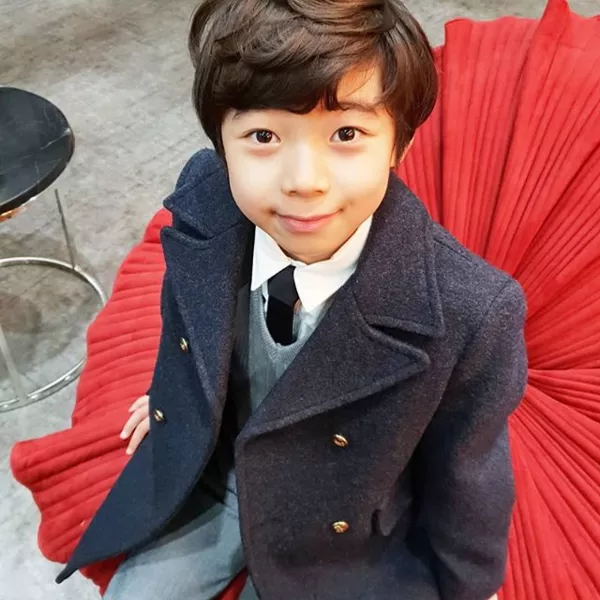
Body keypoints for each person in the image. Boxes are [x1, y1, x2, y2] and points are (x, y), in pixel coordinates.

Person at [55, 1, 527, 598]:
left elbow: (468, 473)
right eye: (263, 136)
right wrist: (174, 393)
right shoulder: (206, 201)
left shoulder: (468, 312)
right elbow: (186, 316)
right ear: (221, 144)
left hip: (336, 526)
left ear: (398, 145)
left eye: (346, 133)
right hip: (217, 473)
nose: (304, 180)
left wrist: (468, 585)